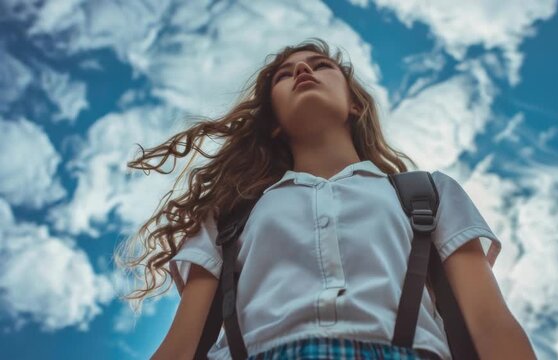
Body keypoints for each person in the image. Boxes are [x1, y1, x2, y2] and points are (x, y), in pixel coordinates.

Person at [115, 38, 536, 360]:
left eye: (320, 65)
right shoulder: (229, 216)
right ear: (274, 123)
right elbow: (180, 345)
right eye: (285, 74)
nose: (302, 72)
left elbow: (491, 324)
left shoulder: (428, 193)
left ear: (354, 103)